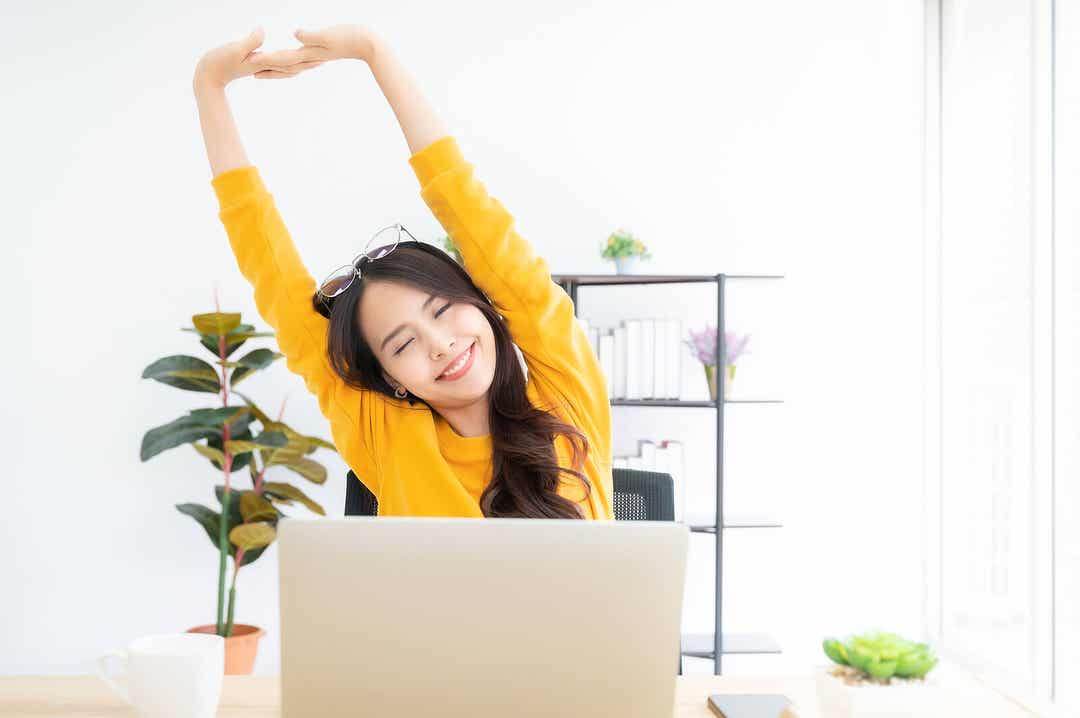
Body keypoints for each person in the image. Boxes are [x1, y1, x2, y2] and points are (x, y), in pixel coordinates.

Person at [193, 25, 613, 519]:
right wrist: (209, 87)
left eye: (442, 309)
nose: (439, 343)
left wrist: (375, 54)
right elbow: (274, 273)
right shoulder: (388, 437)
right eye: (402, 344)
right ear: (390, 379)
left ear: (482, 303)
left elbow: (475, 217)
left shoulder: (566, 395)